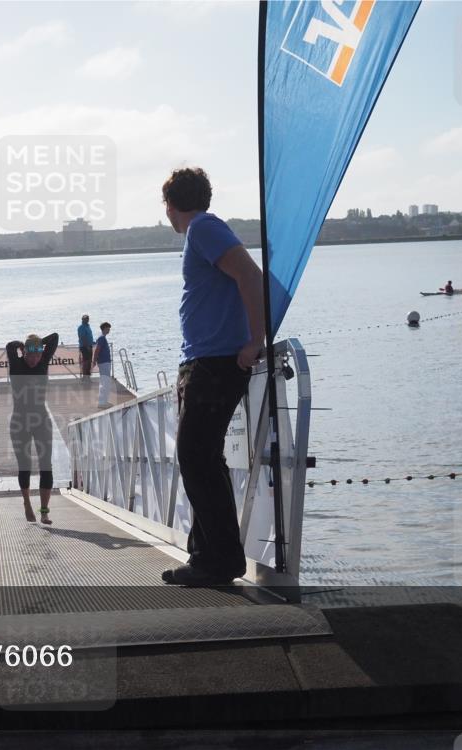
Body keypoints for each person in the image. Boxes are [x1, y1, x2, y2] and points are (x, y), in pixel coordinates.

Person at [160, 167, 266, 587]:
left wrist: (254, 340)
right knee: (203, 459)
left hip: (217, 362)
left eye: (165, 207)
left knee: (196, 457)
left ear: (170, 205)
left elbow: (250, 275)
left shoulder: (203, 227)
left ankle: (218, 561)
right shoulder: (203, 230)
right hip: (205, 361)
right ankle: (206, 555)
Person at [5, 332, 59, 524]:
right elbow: (10, 346)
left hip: (41, 419)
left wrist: (37, 344)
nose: (35, 360)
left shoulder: (44, 362)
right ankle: (27, 503)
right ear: (25, 353)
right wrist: (23, 345)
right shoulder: (16, 363)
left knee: (46, 465)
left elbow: (54, 338)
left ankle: (44, 511)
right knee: (25, 465)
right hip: (19, 421)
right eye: (31, 355)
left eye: (38, 355)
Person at [92, 322, 112, 408]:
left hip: (105, 362)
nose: (109, 330)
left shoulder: (102, 338)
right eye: (108, 328)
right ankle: (101, 402)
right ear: (104, 328)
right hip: (103, 362)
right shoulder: (101, 338)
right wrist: (94, 361)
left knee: (106, 381)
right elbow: (97, 350)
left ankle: (104, 401)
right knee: (105, 382)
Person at [77, 314, 95, 381]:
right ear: (82, 319)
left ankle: (88, 377)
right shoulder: (81, 327)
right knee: (86, 362)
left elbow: (89, 336)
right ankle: (84, 377)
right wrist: (87, 346)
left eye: (87, 318)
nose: (87, 319)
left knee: (89, 361)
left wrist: (93, 342)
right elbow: (82, 338)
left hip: (89, 346)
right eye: (85, 318)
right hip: (84, 347)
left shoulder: (88, 326)